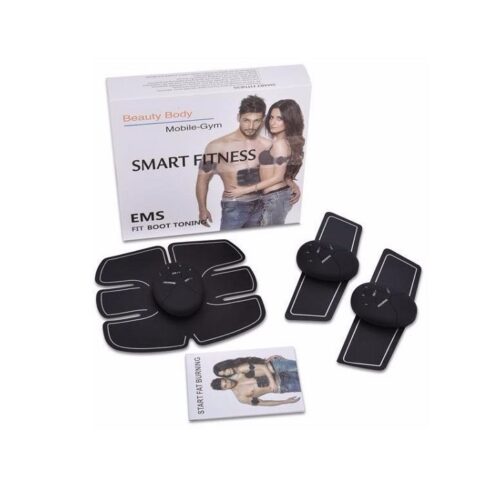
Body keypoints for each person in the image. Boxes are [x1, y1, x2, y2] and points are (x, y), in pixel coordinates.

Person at [196, 96, 300, 230]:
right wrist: (202, 208)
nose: (251, 126)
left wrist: (292, 183)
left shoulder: (268, 145)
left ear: (263, 120)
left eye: (256, 121)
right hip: (235, 205)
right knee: (229, 241)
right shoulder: (216, 146)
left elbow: (277, 172)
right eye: (246, 120)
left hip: (262, 203)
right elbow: (203, 179)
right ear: (238, 117)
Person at [223, 99, 305, 226]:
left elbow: (278, 177)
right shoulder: (277, 142)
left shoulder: (280, 144)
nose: (273, 122)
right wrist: (291, 182)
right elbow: (279, 171)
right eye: (271, 117)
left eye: (279, 118)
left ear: (290, 121)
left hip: (276, 198)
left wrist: (243, 191)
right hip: (270, 197)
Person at [210, 355, 301, 406]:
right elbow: (263, 403)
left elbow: (261, 366)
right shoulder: (241, 397)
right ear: (224, 389)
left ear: (224, 378)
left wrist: (271, 380)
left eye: (225, 381)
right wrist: (285, 402)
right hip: (283, 386)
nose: (229, 383)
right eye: (225, 386)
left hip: (278, 370)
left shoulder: (239, 372)